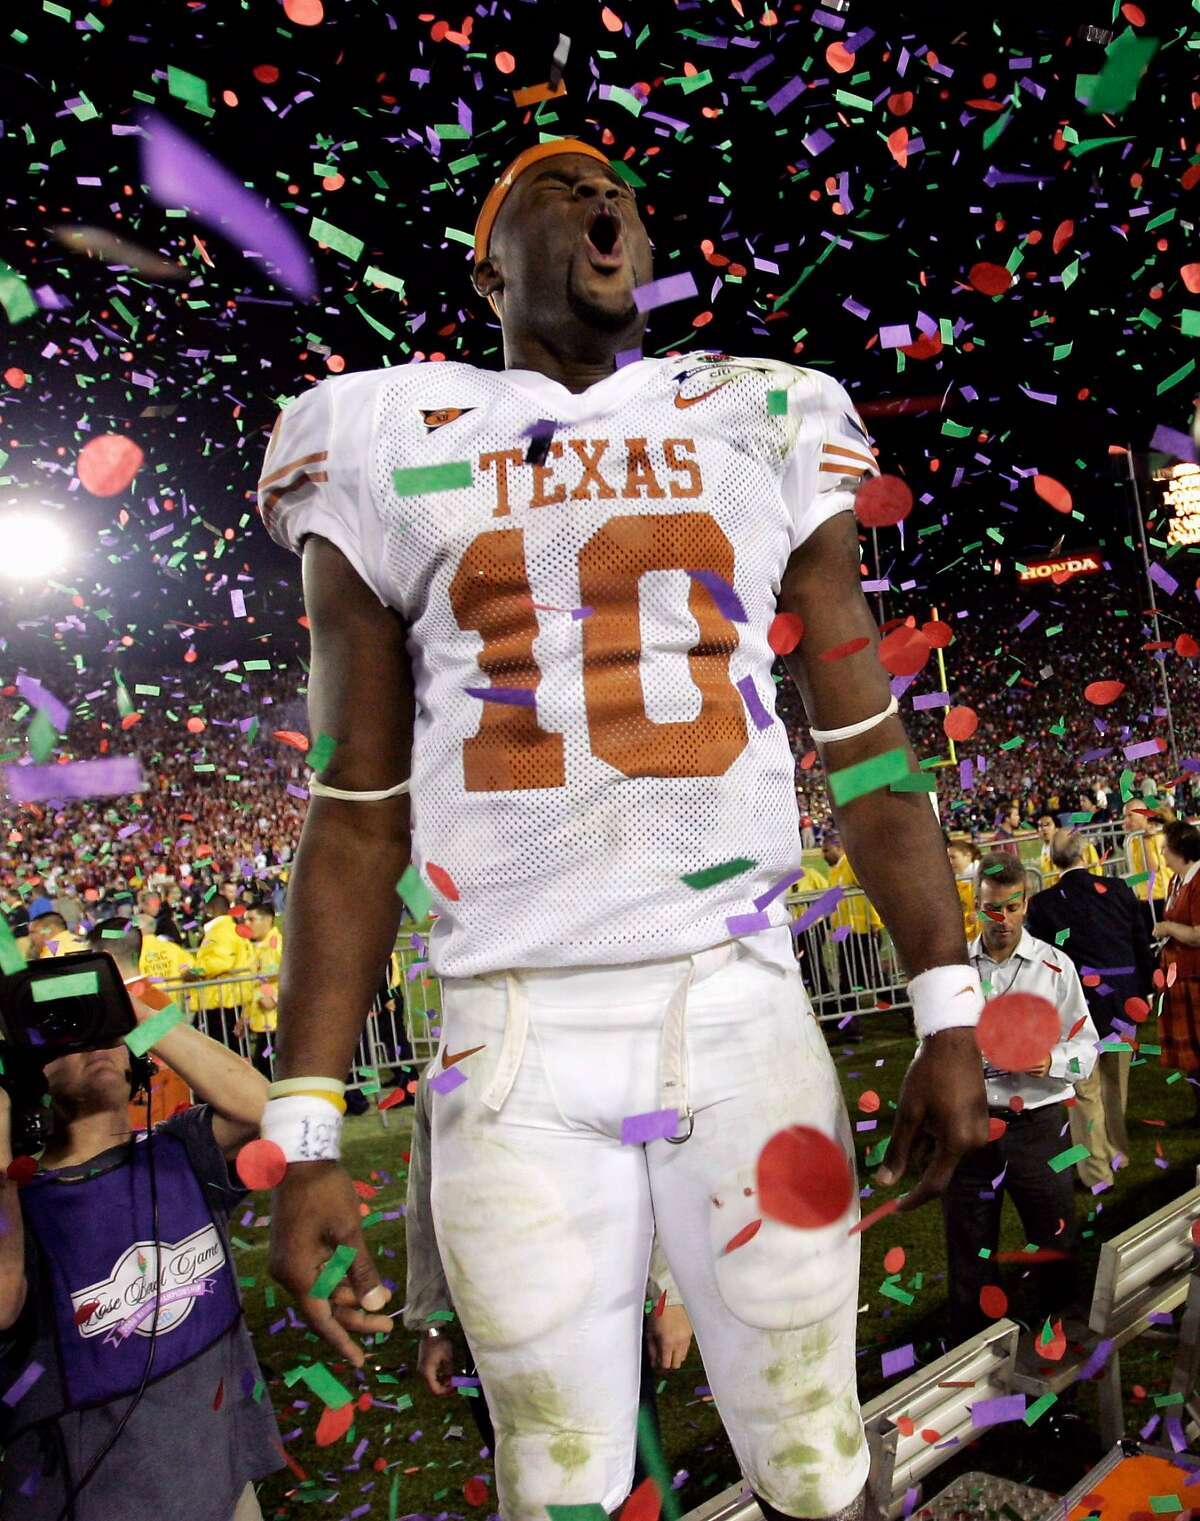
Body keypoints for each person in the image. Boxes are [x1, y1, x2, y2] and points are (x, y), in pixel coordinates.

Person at [260, 137, 991, 1521]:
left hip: (738, 1004)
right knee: (560, 1478)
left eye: (622, 194)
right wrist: (303, 1134)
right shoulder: (374, 432)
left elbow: (866, 747)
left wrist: (948, 1006)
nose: (603, 203)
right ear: (488, 262)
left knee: (817, 1460)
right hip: (509, 1031)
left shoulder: (764, 409)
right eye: (559, 186)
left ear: (643, 251)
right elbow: (354, 811)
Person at [0, 921, 281, 1520]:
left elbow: (261, 1108)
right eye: (66, 1037)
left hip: (226, 1478)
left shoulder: (180, 1151)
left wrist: (136, 1009)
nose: (93, 1043)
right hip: (103, 1498)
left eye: (106, 1032)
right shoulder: (21, 1200)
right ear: (33, 1075)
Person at [403, 1068, 691, 1471]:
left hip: (598, 1314)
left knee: (628, 1476)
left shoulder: (589, 1043)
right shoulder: (447, 1074)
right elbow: (426, 1200)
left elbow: (654, 1153)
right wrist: (433, 1324)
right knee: (532, 1478)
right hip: (491, 1323)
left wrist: (666, 1295)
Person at [941, 853, 1099, 1344]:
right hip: (971, 1128)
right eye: (991, 908)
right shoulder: (952, 972)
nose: (1001, 919)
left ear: (1025, 905)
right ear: (974, 906)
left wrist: (1048, 1062)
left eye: (1011, 907)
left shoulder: (1055, 968)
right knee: (969, 1251)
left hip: (1039, 1125)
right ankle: (972, 1358)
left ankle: (1062, 1347)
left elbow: (1088, 1049)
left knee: (1054, 1243)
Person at [1026, 830, 1155, 1188]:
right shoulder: (1118, 890)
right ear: (1087, 854)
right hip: (1122, 1002)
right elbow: (1140, 944)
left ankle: (1099, 1171)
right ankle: (1116, 1153)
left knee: (1087, 1091)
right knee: (1116, 1084)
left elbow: (1044, 965)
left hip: (1077, 1009)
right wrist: (1143, 992)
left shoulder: (1043, 905)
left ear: (1051, 861)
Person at [1151, 820, 1200, 1119]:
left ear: (1181, 851)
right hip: (1176, 975)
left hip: (1195, 975)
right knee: (1190, 1055)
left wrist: (1168, 927)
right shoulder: (1175, 882)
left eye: (1166, 849)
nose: (1163, 855)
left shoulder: (1198, 882)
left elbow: (1198, 933)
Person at [822, 833, 884, 1033]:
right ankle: (850, 1029)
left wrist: (875, 922)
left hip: (863, 931)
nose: (823, 854)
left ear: (839, 847)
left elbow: (870, 891)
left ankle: (907, 1009)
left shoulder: (852, 865)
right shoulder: (836, 870)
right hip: (846, 932)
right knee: (851, 980)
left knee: (870, 977)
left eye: (826, 850)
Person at [195, 894, 253, 1047]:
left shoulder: (220, 931)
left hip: (224, 999)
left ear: (209, 910)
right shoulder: (230, 928)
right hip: (229, 997)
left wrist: (194, 971)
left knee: (225, 1048)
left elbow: (221, 962)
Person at [237, 903, 284, 1079]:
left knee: (266, 1069)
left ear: (268, 920)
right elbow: (255, 985)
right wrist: (245, 1016)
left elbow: (296, 974)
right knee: (264, 1068)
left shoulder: (277, 946)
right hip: (263, 1021)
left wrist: (276, 998)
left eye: (251, 919)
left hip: (277, 1021)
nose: (247, 924)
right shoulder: (258, 948)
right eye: (245, 920)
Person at [1125, 797, 1170, 935]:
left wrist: (1145, 840)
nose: (1126, 821)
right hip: (1143, 898)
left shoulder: (1156, 835)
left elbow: (1152, 869)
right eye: (1125, 816)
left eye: (1130, 816)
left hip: (1160, 897)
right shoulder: (1133, 839)